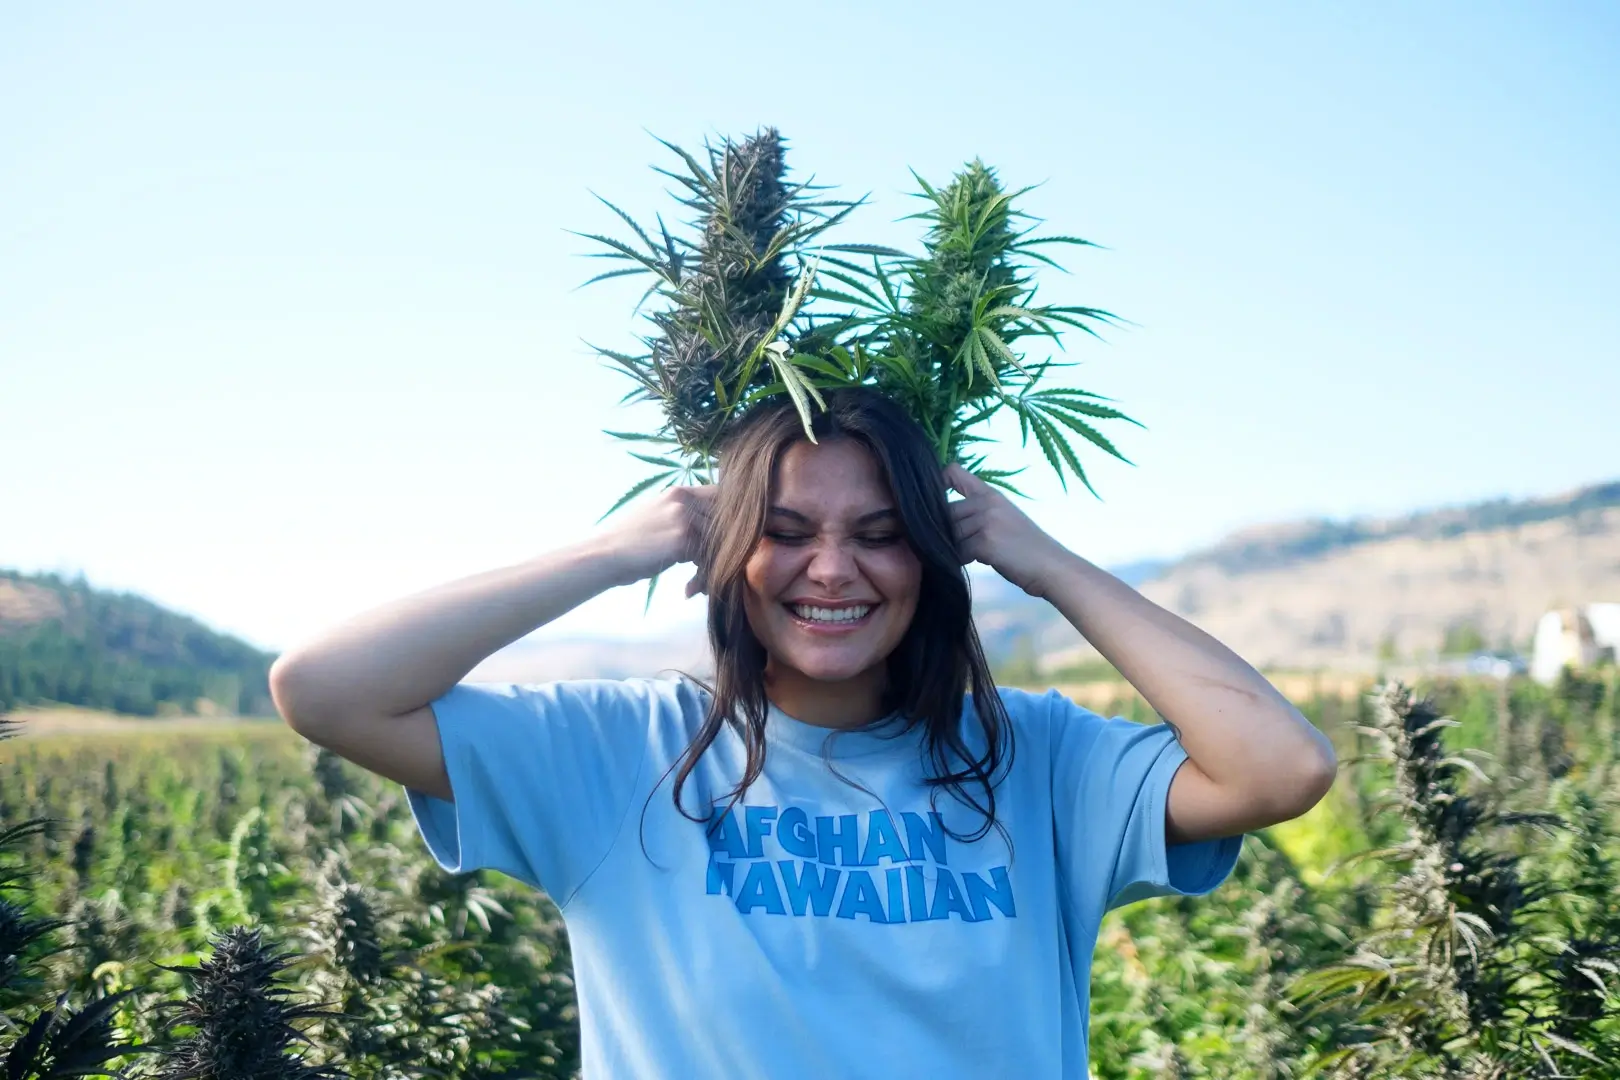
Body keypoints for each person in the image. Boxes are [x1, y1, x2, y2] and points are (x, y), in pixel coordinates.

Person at [270, 387, 1337, 1078]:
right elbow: (324, 689)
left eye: (881, 535)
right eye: (783, 533)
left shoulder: (1042, 763)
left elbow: (1282, 765)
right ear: (729, 555)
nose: (832, 569)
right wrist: (615, 553)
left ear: (931, 559)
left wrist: (1046, 564)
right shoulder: (615, 753)